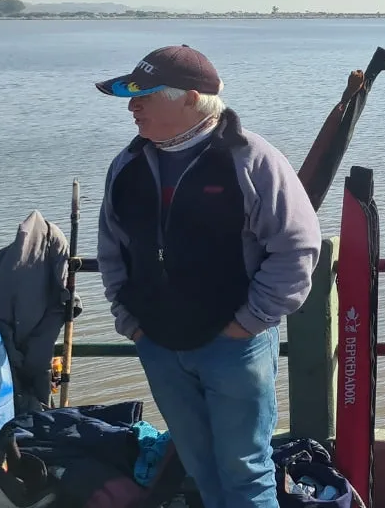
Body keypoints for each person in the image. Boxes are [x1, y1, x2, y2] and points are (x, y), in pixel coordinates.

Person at [94, 45, 322, 508]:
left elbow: (296, 248)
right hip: (158, 343)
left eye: (144, 95)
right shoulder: (127, 165)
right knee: (199, 465)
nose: (132, 105)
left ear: (192, 98)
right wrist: (129, 321)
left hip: (234, 348)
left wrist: (248, 322)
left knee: (245, 469)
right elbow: (111, 248)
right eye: (129, 95)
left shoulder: (252, 159)